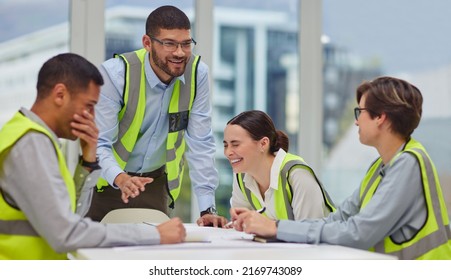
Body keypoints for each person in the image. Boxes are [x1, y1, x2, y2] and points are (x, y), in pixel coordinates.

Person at [230, 77, 451, 259]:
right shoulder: (381, 166)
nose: (356, 122)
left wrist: (277, 228)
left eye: (360, 112)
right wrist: (274, 226)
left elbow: (359, 233)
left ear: (381, 118)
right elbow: (341, 217)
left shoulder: (408, 163)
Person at [0, 53, 186, 260]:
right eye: (89, 106)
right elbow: (66, 233)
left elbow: (71, 218)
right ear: (60, 95)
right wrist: (154, 234)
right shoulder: (32, 143)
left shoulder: (30, 135)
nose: (92, 116)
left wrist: (88, 162)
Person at [85, 5, 226, 227]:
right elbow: (98, 143)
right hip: (105, 182)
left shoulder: (197, 74)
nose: (180, 52)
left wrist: (207, 208)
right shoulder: (116, 74)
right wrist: (120, 178)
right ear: (147, 43)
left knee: (153, 256)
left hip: (155, 183)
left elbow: (201, 143)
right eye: (169, 43)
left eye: (186, 44)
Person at [223, 110, 335, 223]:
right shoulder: (241, 176)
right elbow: (240, 225)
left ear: (263, 144)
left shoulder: (297, 175)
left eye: (235, 144)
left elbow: (309, 233)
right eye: (226, 145)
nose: (228, 152)